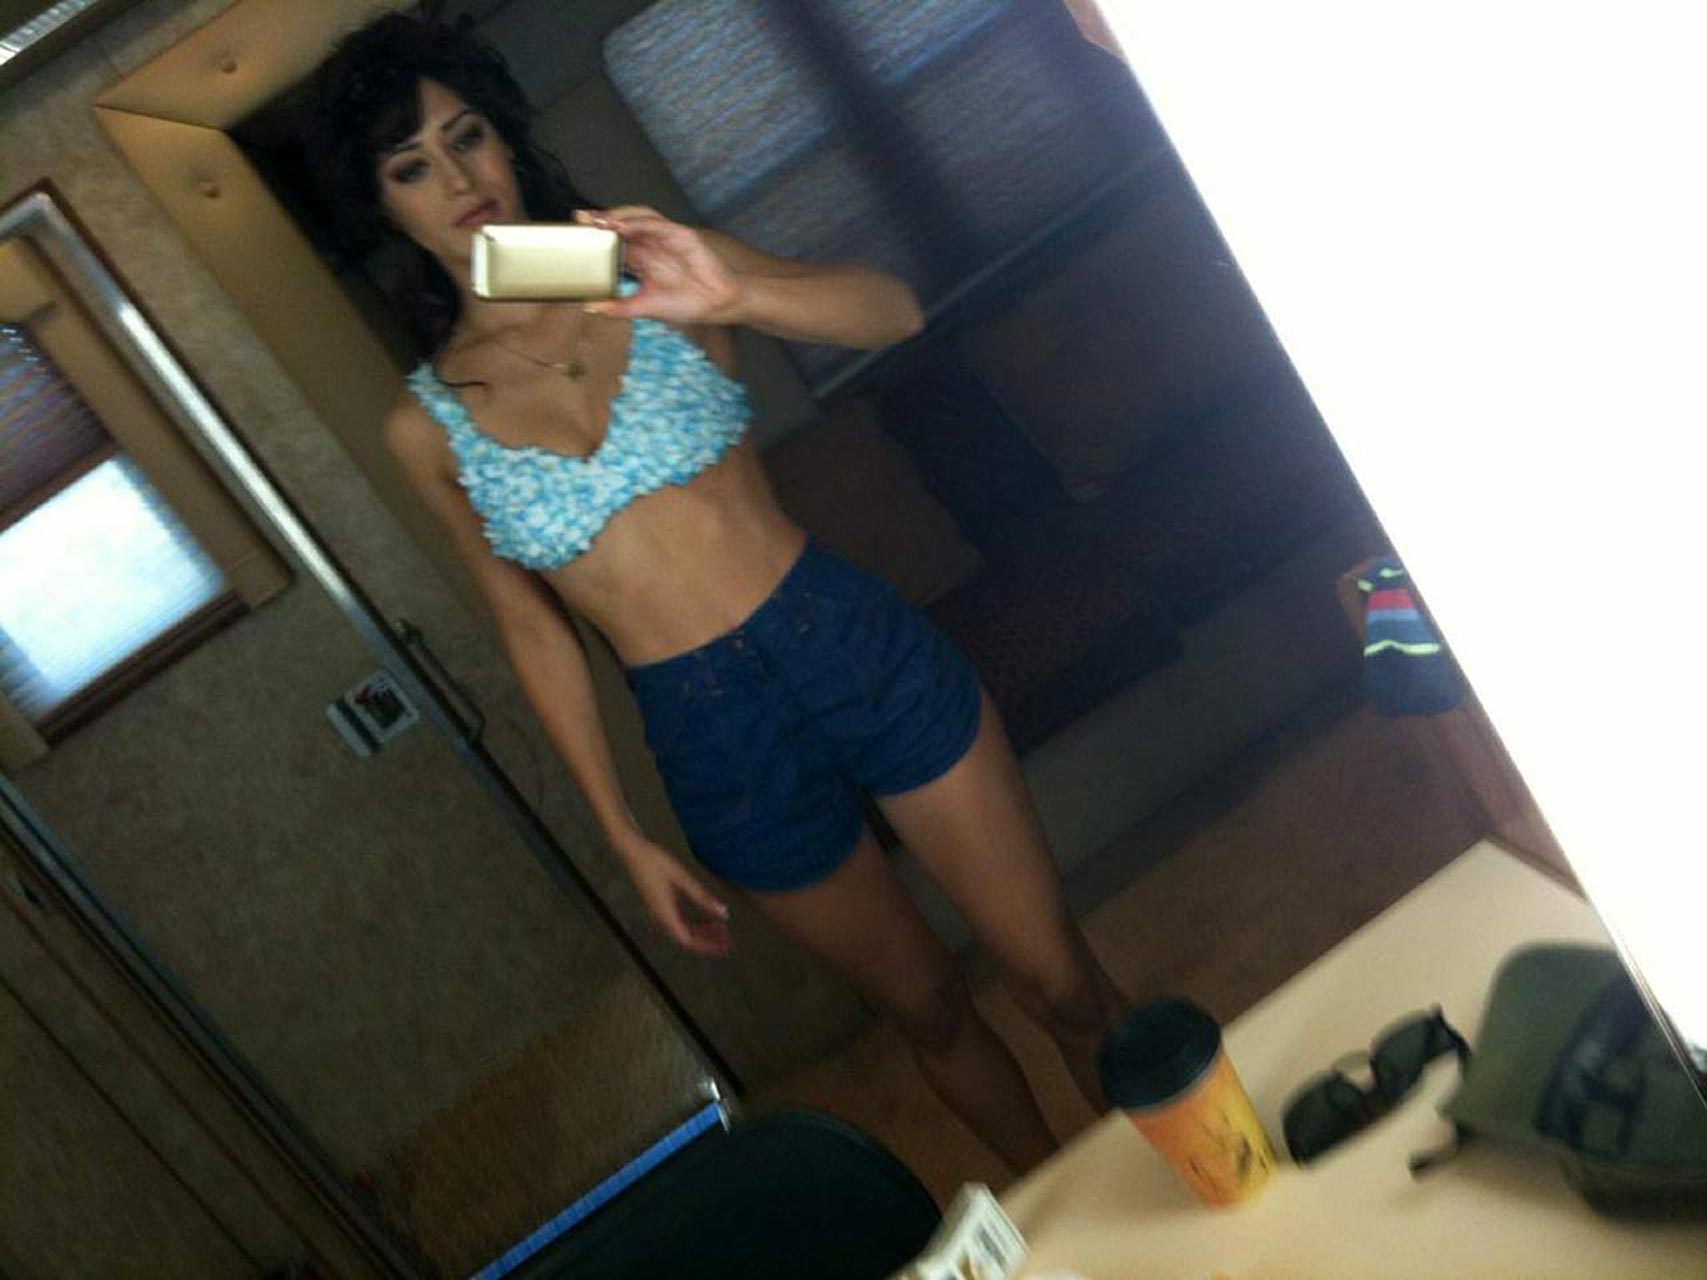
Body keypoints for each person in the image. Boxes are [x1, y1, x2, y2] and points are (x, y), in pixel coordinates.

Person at [309, 12, 1125, 1172]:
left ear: (505, 140)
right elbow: (531, 628)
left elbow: (891, 309)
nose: (455, 178)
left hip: (844, 638)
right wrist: (622, 832)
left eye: (467, 135)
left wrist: (731, 293)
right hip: (710, 736)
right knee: (930, 1009)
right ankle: (1062, 1230)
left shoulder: (646, 264)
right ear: (381, 205)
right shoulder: (424, 424)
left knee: (1058, 978)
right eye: (410, 164)